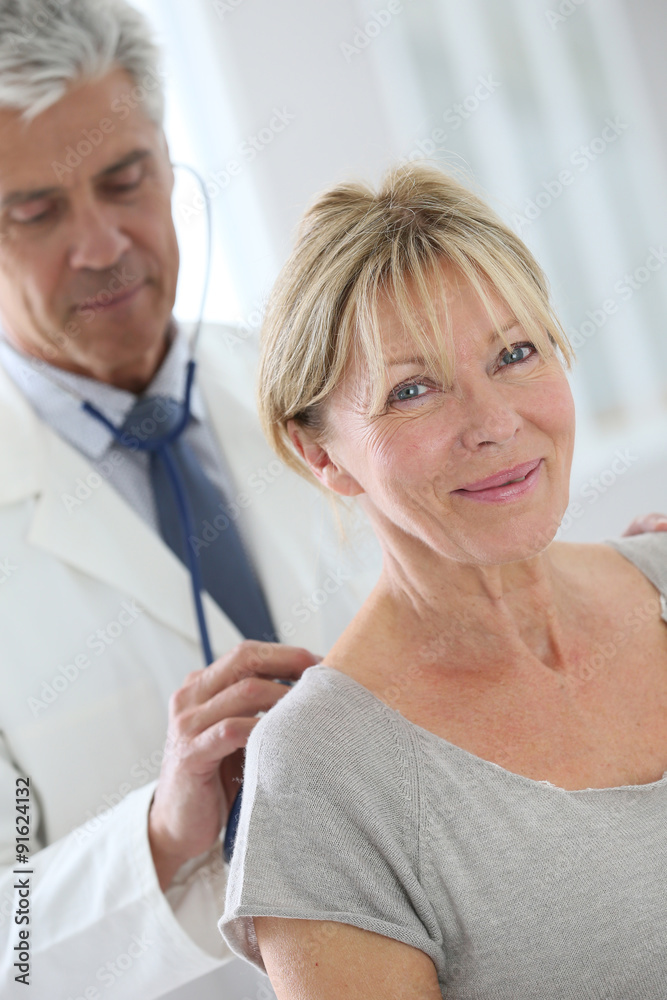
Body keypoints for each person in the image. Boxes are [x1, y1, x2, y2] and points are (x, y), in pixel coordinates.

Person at [0, 1, 380, 997]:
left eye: (126, 180)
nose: (100, 243)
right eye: (34, 211)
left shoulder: (327, 389)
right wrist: (160, 840)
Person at [220, 163, 667, 998]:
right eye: (413, 390)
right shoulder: (323, 776)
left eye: (515, 353)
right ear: (320, 454)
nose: (494, 423)